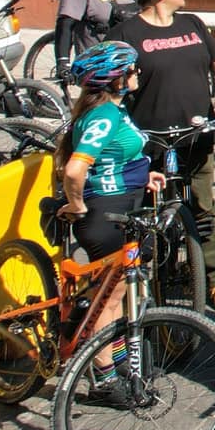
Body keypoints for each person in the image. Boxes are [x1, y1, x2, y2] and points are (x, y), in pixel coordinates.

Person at [109, 0, 215, 312]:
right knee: (148, 213)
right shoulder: (125, 34)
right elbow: (109, 87)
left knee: (204, 208)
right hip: (148, 142)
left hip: (196, 136)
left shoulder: (193, 24)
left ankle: (214, 277)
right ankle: (147, 277)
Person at [54, 42, 160, 395]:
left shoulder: (114, 108)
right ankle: (104, 380)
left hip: (126, 203)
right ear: (114, 80)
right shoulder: (104, 115)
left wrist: (142, 174)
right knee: (109, 300)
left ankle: (118, 367)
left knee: (118, 295)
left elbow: (114, 155)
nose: (137, 74)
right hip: (106, 213)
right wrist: (77, 205)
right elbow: (75, 170)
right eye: (131, 70)